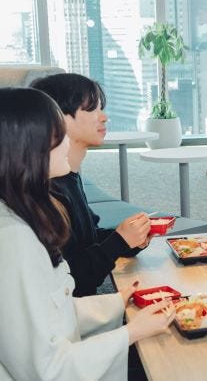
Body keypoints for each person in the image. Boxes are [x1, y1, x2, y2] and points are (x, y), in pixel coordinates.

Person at [0, 87, 174, 380]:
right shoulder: (14, 240)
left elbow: (54, 310)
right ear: (29, 149)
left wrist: (118, 300)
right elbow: (46, 369)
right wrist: (131, 332)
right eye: (59, 137)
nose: (67, 143)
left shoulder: (24, 214)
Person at [31, 73, 151, 297]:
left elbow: (87, 240)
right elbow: (72, 279)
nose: (104, 117)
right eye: (92, 109)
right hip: (74, 312)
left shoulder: (69, 177)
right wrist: (119, 241)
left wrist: (130, 239)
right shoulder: (48, 192)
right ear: (58, 117)